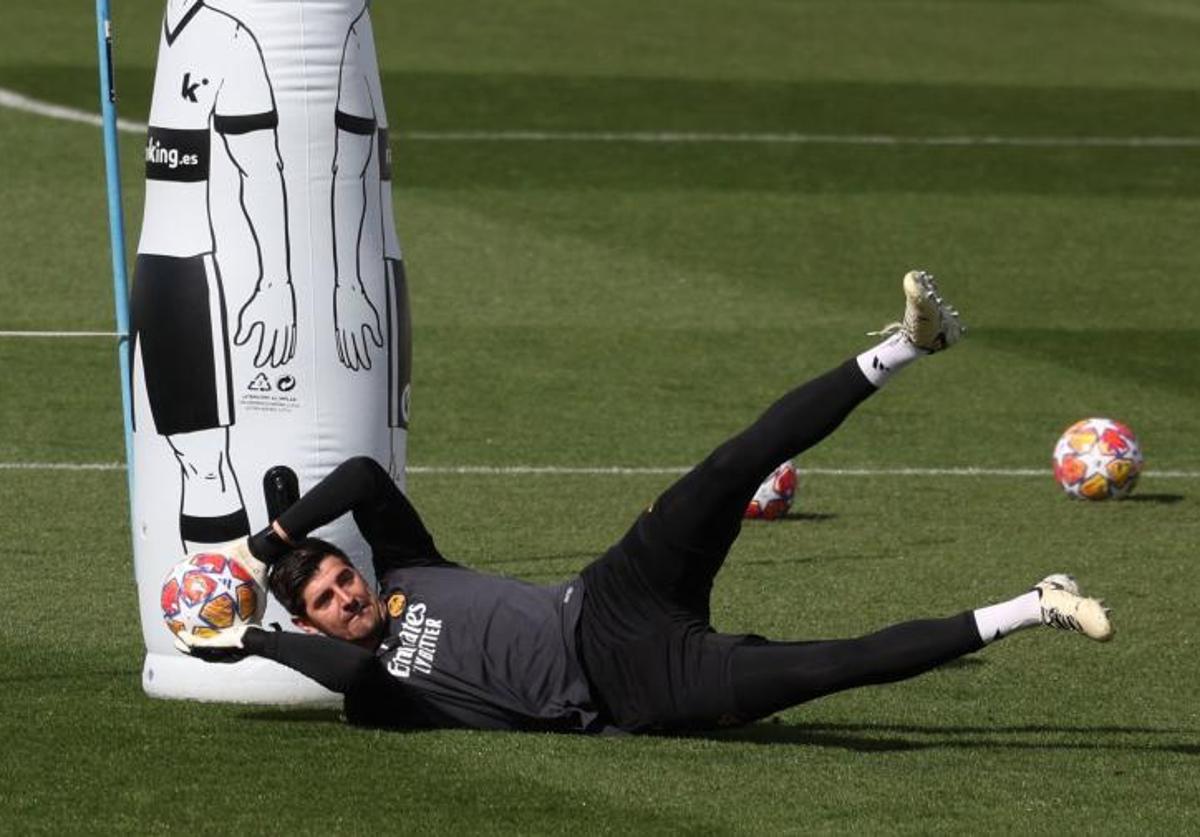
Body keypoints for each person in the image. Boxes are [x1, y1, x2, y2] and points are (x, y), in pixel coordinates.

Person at [176, 272, 1113, 734]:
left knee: (734, 462)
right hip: (632, 691)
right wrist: (251, 633)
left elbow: (367, 480)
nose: (348, 596)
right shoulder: (384, 694)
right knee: (832, 668)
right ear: (317, 626)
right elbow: (341, 677)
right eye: (330, 603)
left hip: (609, 596)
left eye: (343, 578)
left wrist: (278, 535)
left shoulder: (409, 571)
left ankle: (909, 344)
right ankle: (1034, 602)